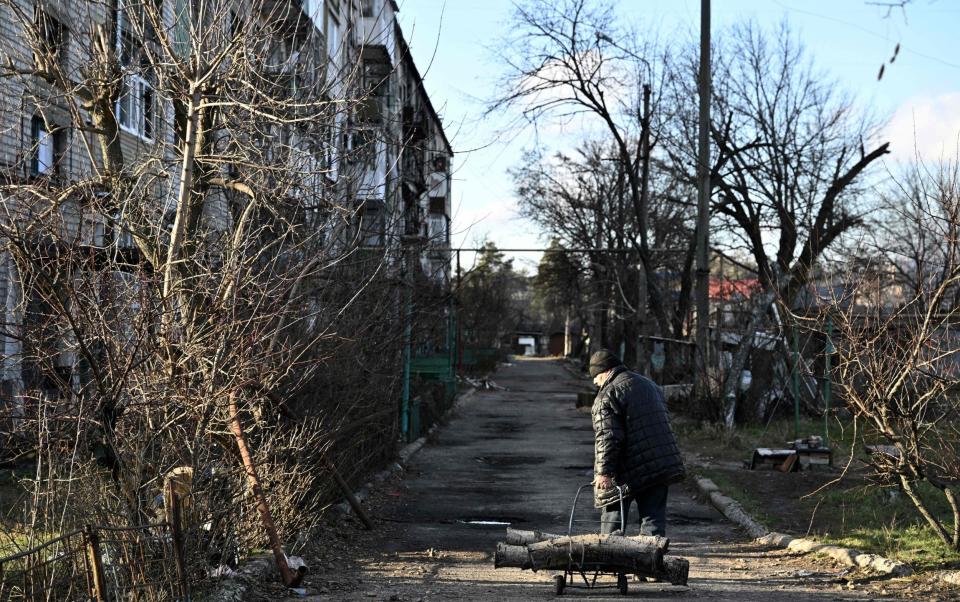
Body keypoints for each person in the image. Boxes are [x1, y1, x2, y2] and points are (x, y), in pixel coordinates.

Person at [589, 349, 685, 536]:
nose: (595, 382)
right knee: (653, 522)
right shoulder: (650, 385)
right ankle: (650, 561)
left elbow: (608, 436)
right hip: (660, 465)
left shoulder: (608, 394)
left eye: (596, 377)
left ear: (606, 371)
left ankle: (608, 560)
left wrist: (605, 472)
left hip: (627, 469)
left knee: (612, 520)